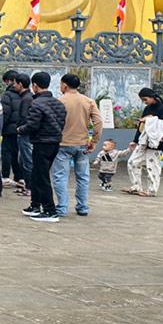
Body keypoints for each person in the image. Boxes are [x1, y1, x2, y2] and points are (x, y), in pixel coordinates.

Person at [18, 72, 66, 221]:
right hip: (54, 142)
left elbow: (33, 124)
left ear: (35, 86)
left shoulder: (37, 103)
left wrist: (21, 129)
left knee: (42, 176)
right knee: (37, 174)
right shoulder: (58, 103)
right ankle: (35, 205)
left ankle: (50, 210)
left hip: (42, 142)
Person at [53, 73, 102, 217]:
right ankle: (82, 207)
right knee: (82, 177)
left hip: (63, 144)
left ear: (65, 85)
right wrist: (94, 141)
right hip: (82, 144)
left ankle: (62, 208)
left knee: (60, 176)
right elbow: (98, 122)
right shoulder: (88, 101)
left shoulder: (59, 101)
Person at [126, 88, 163, 197]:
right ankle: (136, 186)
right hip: (143, 141)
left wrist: (150, 119)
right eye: (142, 100)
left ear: (152, 97)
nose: (144, 102)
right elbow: (141, 126)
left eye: (145, 99)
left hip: (156, 143)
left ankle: (152, 191)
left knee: (152, 167)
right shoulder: (147, 109)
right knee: (132, 162)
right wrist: (135, 141)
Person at [0, 71, 25, 185]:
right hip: (21, 128)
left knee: (6, 152)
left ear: (9, 81)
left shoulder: (7, 95)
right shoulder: (24, 94)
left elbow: (5, 113)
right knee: (17, 153)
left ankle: (5, 176)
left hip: (9, 129)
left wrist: (2, 127)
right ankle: (19, 176)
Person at [12, 73, 35, 195]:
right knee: (22, 160)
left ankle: (30, 188)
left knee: (27, 161)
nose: (14, 85)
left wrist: (20, 129)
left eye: (15, 83)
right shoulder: (26, 97)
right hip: (23, 133)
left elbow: (26, 118)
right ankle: (26, 185)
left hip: (25, 134)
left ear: (20, 84)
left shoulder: (27, 99)